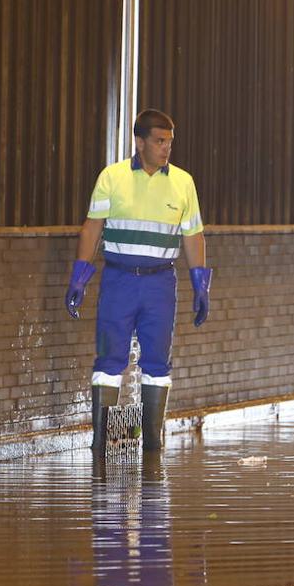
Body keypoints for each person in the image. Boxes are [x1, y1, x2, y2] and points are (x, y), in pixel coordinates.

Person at [64, 109, 212, 455]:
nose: (166, 149)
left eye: (170, 142)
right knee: (110, 359)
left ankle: (151, 444)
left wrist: (200, 283)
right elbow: (92, 227)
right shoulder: (112, 178)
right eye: (160, 141)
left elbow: (194, 236)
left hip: (161, 283)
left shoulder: (182, 182)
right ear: (140, 141)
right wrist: (80, 276)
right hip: (119, 279)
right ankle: (108, 444)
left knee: (157, 363)